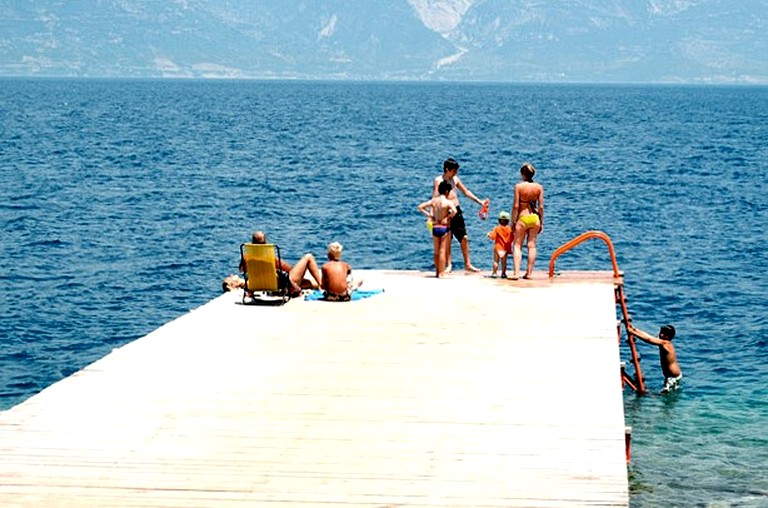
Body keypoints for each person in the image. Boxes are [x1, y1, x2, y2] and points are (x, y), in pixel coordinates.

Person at [432, 158, 487, 273]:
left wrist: (479, 201)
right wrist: (433, 215)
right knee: (447, 239)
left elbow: (466, 192)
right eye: (453, 171)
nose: (455, 173)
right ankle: (448, 264)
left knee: (464, 237)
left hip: (456, 210)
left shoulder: (455, 179)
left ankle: (468, 264)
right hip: (444, 211)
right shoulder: (438, 180)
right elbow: (435, 198)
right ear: (447, 169)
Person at [235, 230, 322, 296]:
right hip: (277, 285)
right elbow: (289, 269)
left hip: (257, 284)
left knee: (305, 283)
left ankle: (317, 284)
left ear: (252, 243)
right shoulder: (271, 258)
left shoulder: (246, 257)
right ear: (265, 243)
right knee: (308, 257)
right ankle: (321, 285)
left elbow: (242, 269)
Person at [510, 162, 544, 280]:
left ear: (522, 174)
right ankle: (529, 273)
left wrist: (513, 221)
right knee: (532, 246)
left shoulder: (518, 187)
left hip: (523, 217)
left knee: (517, 245)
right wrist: (541, 221)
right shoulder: (539, 187)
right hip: (535, 218)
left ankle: (516, 273)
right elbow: (540, 207)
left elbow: (515, 206)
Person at [418, 180, 457, 278]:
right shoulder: (447, 202)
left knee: (436, 251)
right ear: (447, 191)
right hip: (444, 227)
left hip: (435, 226)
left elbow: (420, 207)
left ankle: (436, 271)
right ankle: (441, 272)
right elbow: (455, 211)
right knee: (442, 251)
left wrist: (430, 216)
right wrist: (447, 217)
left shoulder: (434, 201)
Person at [628, 324, 682, 393]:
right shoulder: (663, 342)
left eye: (662, 333)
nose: (660, 334)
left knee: (665, 395)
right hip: (670, 376)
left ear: (667, 336)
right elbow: (649, 337)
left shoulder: (665, 343)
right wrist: (636, 330)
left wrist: (633, 332)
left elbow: (649, 339)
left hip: (673, 376)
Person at [486, 211, 513, 278]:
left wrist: (489, 235)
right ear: (508, 221)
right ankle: (503, 273)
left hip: (498, 248)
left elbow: (493, 237)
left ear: (499, 220)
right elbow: (512, 238)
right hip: (505, 248)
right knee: (504, 262)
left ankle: (494, 273)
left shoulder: (497, 228)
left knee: (496, 261)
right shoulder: (510, 229)